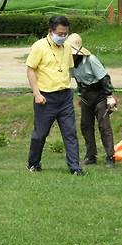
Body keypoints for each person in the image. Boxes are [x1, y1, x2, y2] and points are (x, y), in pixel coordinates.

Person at [26, 16, 84, 175]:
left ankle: (75, 167)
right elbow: (30, 69)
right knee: (40, 134)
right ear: (51, 31)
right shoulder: (39, 46)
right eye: (60, 33)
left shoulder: (67, 48)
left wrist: (78, 92)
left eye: (66, 33)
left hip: (65, 96)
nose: (63, 36)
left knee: (70, 133)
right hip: (45, 97)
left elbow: (70, 71)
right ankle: (33, 163)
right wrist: (36, 93)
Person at [66, 33, 117, 167]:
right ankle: (91, 155)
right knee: (85, 126)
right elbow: (78, 80)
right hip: (85, 96)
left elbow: (104, 78)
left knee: (104, 126)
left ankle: (110, 156)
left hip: (99, 95)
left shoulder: (91, 60)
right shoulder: (70, 63)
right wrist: (80, 95)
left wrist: (110, 96)